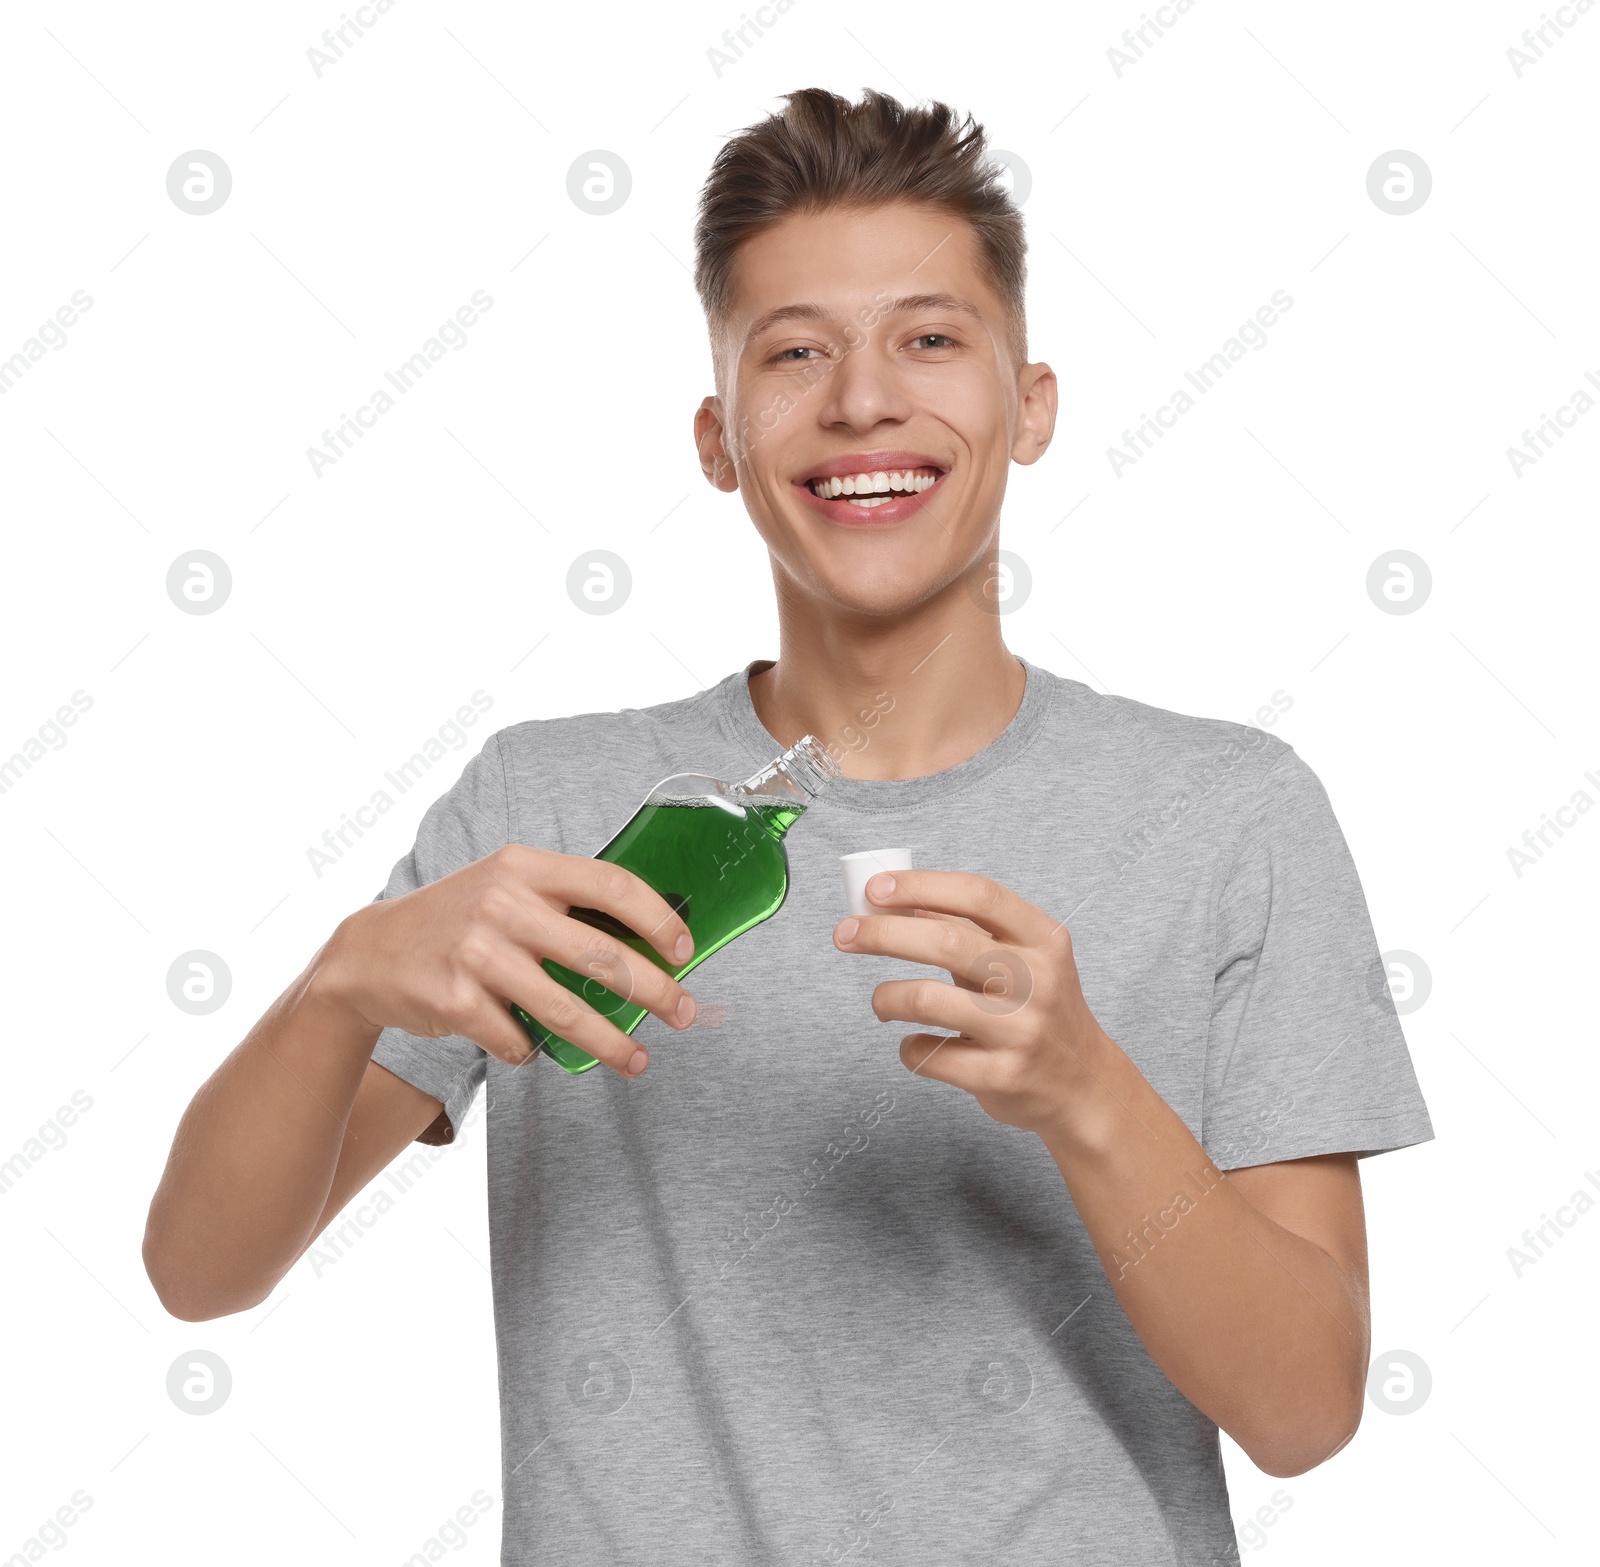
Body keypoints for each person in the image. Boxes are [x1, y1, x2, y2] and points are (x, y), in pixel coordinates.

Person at [144, 86, 1433, 1564]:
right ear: (717, 435)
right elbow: (199, 1272)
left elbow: (1305, 1411)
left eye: (931, 339)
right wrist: (345, 979)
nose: (864, 401)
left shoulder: (1228, 815)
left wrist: (1091, 1095)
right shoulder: (547, 809)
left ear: (1032, 408)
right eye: (796, 352)